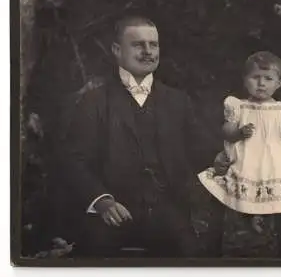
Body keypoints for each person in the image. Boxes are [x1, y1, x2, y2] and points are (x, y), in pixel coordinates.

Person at [58, 15, 218, 257]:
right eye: (138, 45)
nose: (148, 51)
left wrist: (226, 152)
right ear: (117, 50)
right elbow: (74, 161)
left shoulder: (177, 100)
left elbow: (201, 150)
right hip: (112, 212)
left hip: (168, 213)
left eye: (153, 45)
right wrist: (102, 201)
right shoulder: (95, 101)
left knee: (193, 258)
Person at [198, 51, 281, 255]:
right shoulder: (238, 106)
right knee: (241, 217)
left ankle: (270, 240)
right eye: (255, 78)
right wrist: (239, 132)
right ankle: (244, 240)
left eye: (268, 79)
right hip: (248, 164)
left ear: (278, 83)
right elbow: (226, 130)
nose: (261, 84)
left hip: (276, 169)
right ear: (245, 80)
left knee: (275, 220)